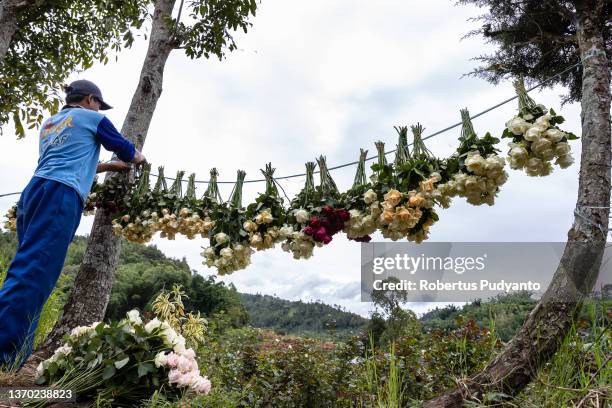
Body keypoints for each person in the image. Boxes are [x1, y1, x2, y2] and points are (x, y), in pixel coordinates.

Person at [0, 79, 146, 368]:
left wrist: (105, 166)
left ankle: (15, 357)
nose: (100, 108)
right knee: (34, 274)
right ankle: (4, 356)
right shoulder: (94, 118)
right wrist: (138, 158)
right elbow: (125, 148)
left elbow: (66, 158)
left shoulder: (51, 124)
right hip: (60, 196)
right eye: (99, 103)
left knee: (26, 270)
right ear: (91, 100)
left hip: (34, 194)